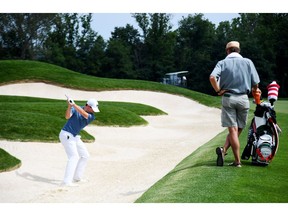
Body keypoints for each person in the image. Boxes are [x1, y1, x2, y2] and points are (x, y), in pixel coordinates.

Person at [209, 41, 260, 167]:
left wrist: (218, 90)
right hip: (243, 98)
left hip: (228, 98)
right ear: (238, 50)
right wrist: (255, 92)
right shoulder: (248, 62)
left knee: (233, 130)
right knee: (238, 129)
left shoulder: (222, 63)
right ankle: (226, 152)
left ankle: (233, 158)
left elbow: (212, 77)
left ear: (227, 51)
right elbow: (255, 83)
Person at [59, 96, 99, 186]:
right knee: (74, 157)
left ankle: (77, 177)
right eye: (93, 108)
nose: (93, 111)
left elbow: (84, 114)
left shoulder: (91, 116)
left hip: (74, 136)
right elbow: (67, 116)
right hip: (66, 134)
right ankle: (67, 181)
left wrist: (74, 104)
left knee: (85, 156)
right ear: (88, 106)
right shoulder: (77, 108)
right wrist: (70, 106)